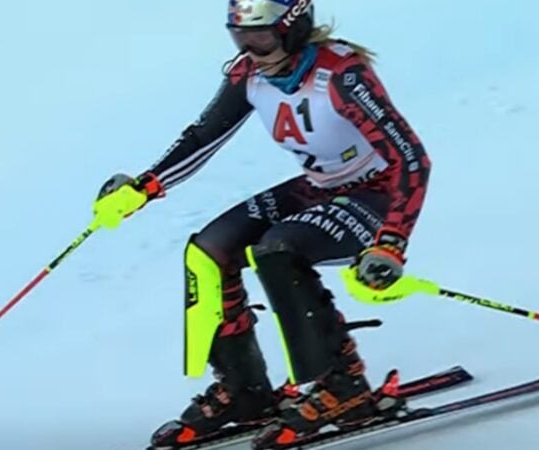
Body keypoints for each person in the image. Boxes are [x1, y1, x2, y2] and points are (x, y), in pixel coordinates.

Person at [96, 0, 431, 447]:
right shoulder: (250, 75)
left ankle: (343, 385)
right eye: (240, 37)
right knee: (209, 250)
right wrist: (144, 187)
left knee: (278, 249)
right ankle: (245, 390)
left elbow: (411, 160)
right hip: (319, 186)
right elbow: (203, 137)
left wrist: (390, 242)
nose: (250, 50)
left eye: (261, 37)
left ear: (293, 29)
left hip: (377, 193)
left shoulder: (340, 75)